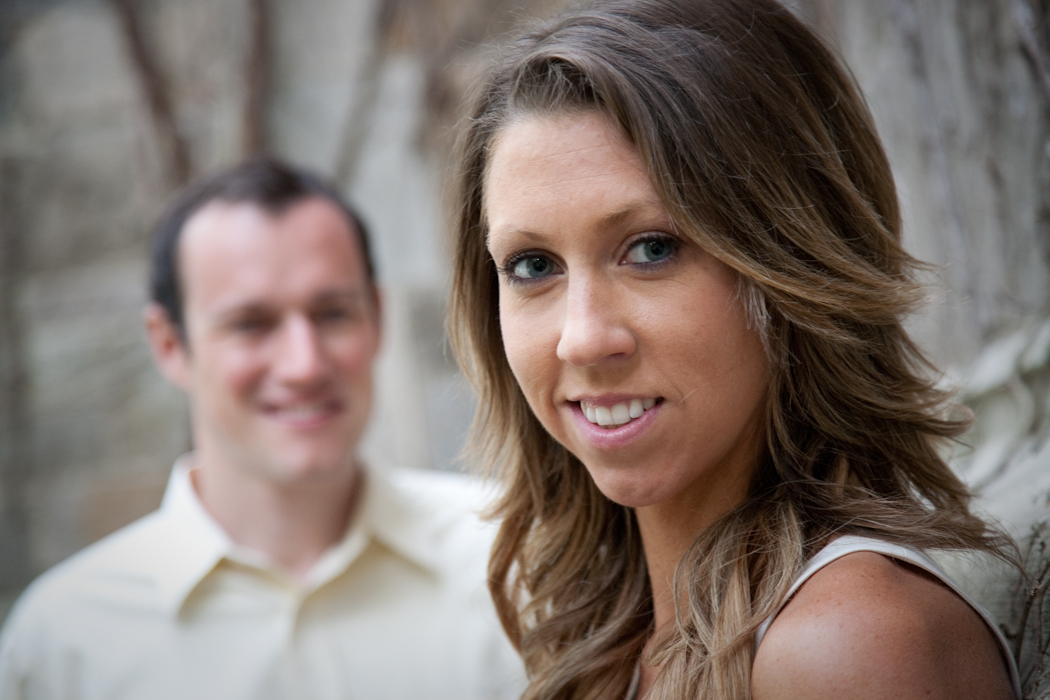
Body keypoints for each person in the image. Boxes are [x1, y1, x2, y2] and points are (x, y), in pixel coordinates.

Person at [446, 0, 1023, 698]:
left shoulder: (845, 644)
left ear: (790, 263)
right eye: (534, 265)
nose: (584, 336)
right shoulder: (612, 634)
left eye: (651, 249)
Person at [0, 159, 524, 700]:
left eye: (332, 313)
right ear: (170, 345)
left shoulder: (516, 563)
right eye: (251, 324)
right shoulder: (61, 646)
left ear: (377, 317)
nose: (304, 364)